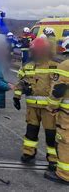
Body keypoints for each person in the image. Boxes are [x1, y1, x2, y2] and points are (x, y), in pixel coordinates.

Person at [13, 37, 59, 170]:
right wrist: (17, 97)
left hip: (49, 108)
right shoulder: (28, 66)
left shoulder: (54, 66)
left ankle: (53, 159)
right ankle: (28, 153)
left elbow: (59, 86)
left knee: (51, 134)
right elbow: (21, 82)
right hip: (32, 107)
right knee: (31, 131)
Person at [44, 37, 69, 184]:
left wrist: (51, 107)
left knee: (65, 142)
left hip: (67, 115)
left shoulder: (65, 66)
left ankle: (64, 174)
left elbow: (58, 91)